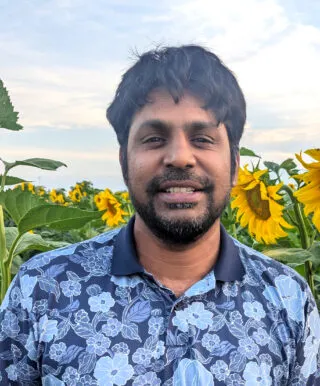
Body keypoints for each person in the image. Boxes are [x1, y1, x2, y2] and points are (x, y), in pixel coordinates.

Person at [0, 45, 319, 385]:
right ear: (124, 161)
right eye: (154, 138)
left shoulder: (288, 297)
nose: (180, 157)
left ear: (236, 165)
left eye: (202, 138)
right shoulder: (43, 287)